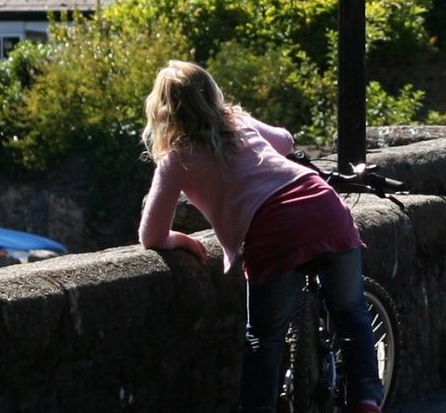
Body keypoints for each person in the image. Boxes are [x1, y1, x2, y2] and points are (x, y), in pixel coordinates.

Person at [139, 60, 381, 413]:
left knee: (265, 338)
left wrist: (182, 240)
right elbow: (285, 140)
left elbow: (151, 235)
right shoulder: (237, 122)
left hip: (273, 230)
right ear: (212, 94)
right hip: (321, 204)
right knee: (350, 311)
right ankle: (366, 400)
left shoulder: (176, 159)